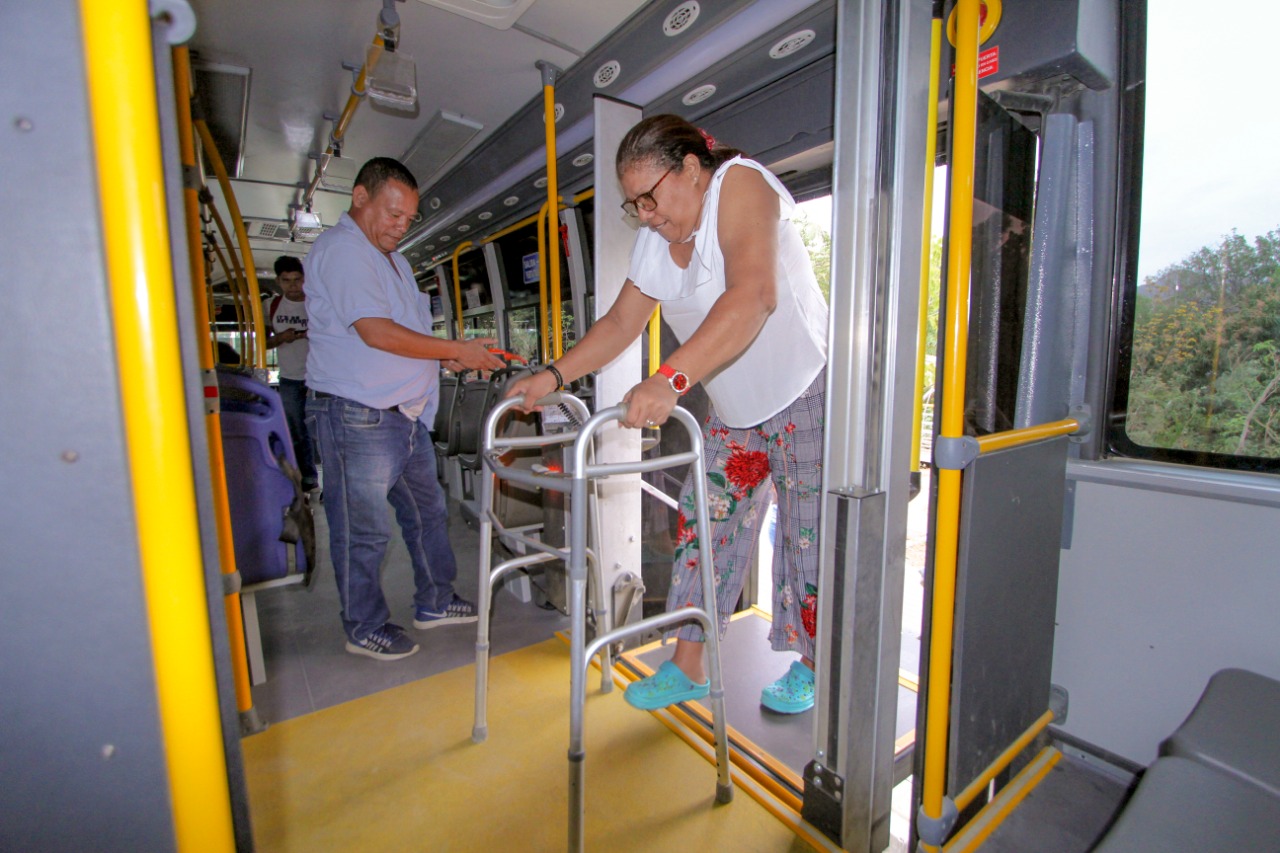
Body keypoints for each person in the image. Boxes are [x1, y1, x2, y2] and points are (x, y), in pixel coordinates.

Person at [506, 115, 828, 713]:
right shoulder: (657, 240)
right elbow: (621, 325)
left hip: (804, 389)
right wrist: (552, 378)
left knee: (806, 536)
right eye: (634, 205)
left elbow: (754, 294)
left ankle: (813, 664)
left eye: (650, 197)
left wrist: (670, 378)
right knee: (703, 526)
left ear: (689, 168)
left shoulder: (739, 184)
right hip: (737, 409)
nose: (646, 214)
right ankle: (688, 666)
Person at [305, 156, 506, 661]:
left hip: (406, 415)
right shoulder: (344, 251)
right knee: (363, 528)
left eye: (408, 219)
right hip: (359, 415)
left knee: (426, 513)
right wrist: (456, 350)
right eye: (392, 214)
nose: (400, 226)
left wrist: (451, 359)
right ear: (359, 197)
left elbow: (408, 336)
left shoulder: (390, 259)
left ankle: (435, 600)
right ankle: (363, 625)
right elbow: (375, 332)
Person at [264, 255, 318, 491]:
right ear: (278, 281)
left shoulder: (317, 303)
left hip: (321, 376)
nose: (293, 286)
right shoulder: (271, 307)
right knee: (296, 430)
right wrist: (281, 338)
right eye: (287, 281)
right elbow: (264, 343)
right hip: (290, 377)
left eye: (297, 280)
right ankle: (307, 477)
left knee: (325, 429)